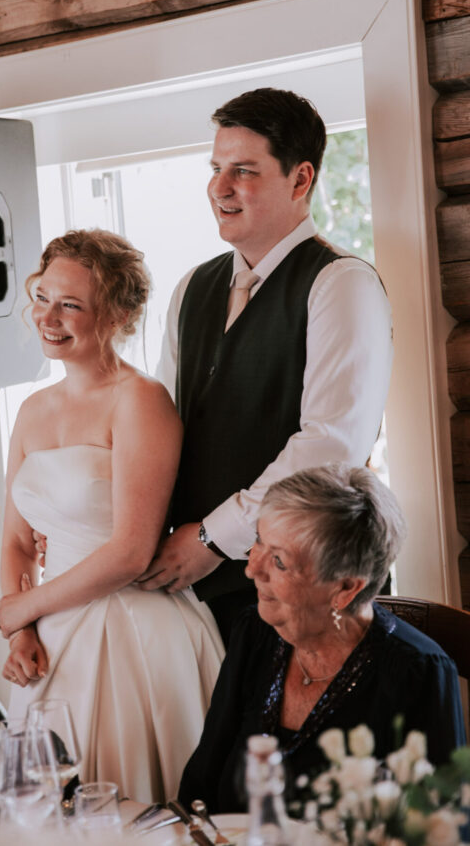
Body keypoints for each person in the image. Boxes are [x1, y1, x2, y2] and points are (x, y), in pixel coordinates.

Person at [139, 88, 393, 645]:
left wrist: (211, 539)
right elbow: (161, 425)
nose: (220, 188)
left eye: (244, 171)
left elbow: (329, 448)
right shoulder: (191, 287)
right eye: (216, 169)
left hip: (308, 592)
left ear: (300, 180)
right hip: (193, 596)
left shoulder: (341, 283)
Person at [0, 229, 224, 803]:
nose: (49, 317)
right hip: (47, 638)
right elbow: (17, 541)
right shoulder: (31, 409)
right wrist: (21, 632)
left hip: (131, 627)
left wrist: (26, 606)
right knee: (49, 806)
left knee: (133, 805)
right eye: (42, 297)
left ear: (118, 315)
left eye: (71, 305)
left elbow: (131, 551)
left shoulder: (140, 400)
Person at [178, 464, 466, 812]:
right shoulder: (255, 631)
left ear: (345, 588)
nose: (252, 568)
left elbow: (437, 824)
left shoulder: (418, 673)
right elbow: (200, 788)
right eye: (258, 541)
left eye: (279, 561)